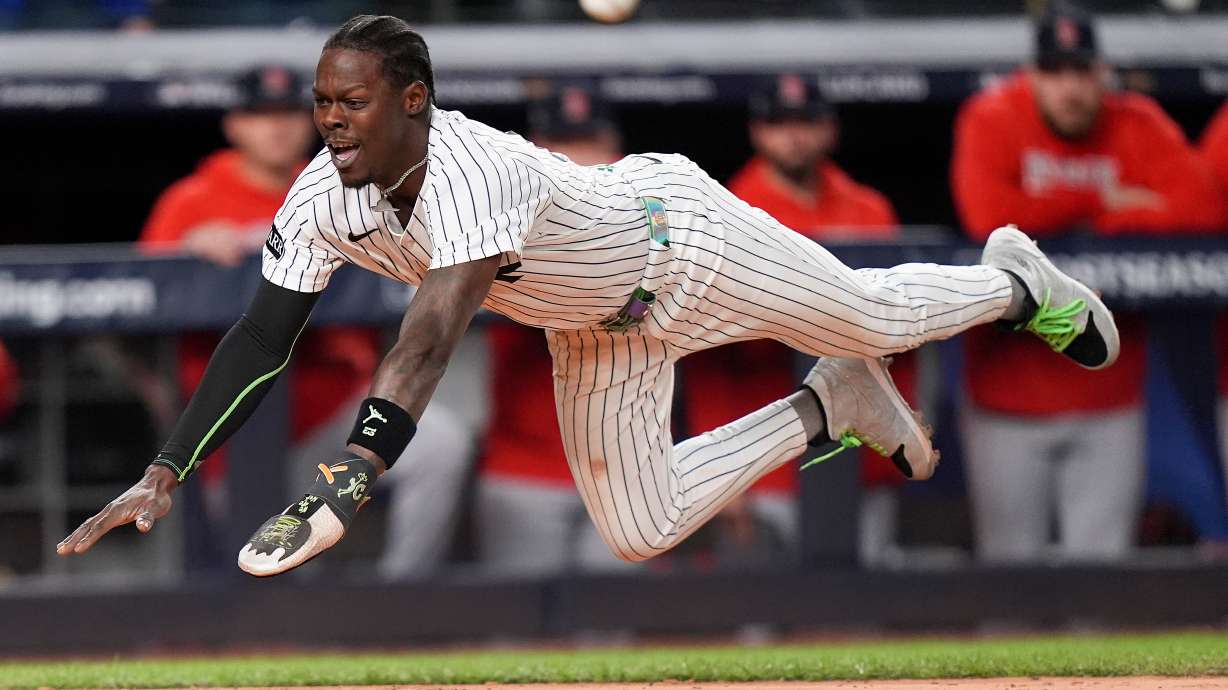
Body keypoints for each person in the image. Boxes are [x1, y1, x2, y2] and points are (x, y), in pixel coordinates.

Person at [57, 14, 1119, 578]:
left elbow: (429, 335)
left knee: (875, 316)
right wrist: (166, 466)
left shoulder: (472, 169)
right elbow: (260, 336)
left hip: (679, 242)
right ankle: (826, 406)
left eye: (354, 101)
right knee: (640, 525)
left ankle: (1013, 278)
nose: (330, 120)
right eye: (322, 101)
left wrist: (353, 473)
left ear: (414, 101)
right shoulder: (318, 195)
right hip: (591, 326)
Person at [140, 64, 474, 574]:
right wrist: (186, 257)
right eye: (260, 114)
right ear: (234, 124)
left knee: (442, 444)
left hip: (331, 412)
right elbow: (136, 310)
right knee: (267, 574)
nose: (276, 127)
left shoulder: (343, 183)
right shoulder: (191, 201)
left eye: (288, 113)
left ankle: (402, 592)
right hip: (237, 439)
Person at [950, 5, 1223, 563]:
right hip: (1007, 398)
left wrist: (1074, 218)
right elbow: (990, 219)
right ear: (1032, 75)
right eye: (1055, 72)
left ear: (1102, 73)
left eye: (1081, 71)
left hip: (1108, 398)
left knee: (1102, 579)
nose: (1070, 88)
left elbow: (1202, 209)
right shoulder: (993, 117)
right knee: (1009, 577)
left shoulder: (1138, 123)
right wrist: (1104, 200)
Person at [678, 74, 907, 562]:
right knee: (764, 607)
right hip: (765, 463)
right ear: (757, 132)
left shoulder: (868, 210)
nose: (794, 136)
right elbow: (703, 358)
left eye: (806, 122)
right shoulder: (725, 213)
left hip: (860, 458)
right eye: (779, 123)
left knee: (864, 603)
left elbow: (900, 336)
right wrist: (714, 467)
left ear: (830, 129)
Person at [475, 85, 636, 574]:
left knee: (619, 619)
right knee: (518, 617)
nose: (577, 159)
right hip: (525, 468)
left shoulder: (657, 218)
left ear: (615, 150)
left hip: (627, 468)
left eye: (589, 143)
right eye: (561, 144)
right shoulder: (498, 218)